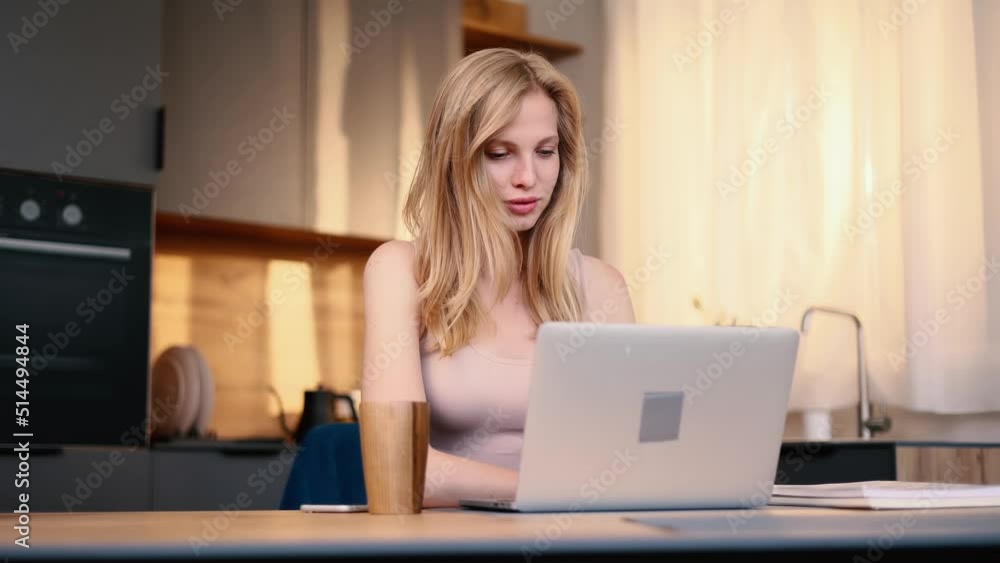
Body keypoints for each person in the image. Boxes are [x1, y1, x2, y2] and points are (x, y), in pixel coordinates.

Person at [361, 48, 636, 508]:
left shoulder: (601, 286)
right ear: (456, 160)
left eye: (545, 152)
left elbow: (631, 458)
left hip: (579, 537)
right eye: (499, 153)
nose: (528, 177)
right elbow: (397, 468)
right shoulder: (400, 270)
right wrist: (555, 492)